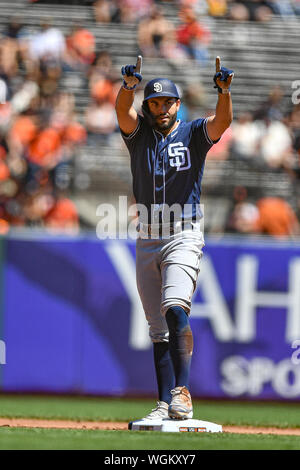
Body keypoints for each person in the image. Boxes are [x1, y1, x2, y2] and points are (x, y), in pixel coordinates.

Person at [115, 55, 233, 420]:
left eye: (167, 101)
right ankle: (165, 403)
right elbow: (122, 112)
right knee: (157, 328)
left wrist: (224, 93)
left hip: (183, 231)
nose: (161, 107)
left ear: (177, 104)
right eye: (154, 101)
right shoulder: (139, 136)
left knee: (175, 308)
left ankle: (182, 393)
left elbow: (222, 122)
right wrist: (127, 89)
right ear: (147, 105)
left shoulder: (193, 133)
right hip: (148, 234)